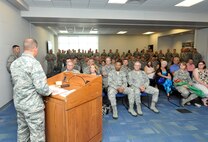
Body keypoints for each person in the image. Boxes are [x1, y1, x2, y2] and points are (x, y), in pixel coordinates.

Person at [10, 38, 51, 142]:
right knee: (37, 136)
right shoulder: (34, 63)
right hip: (33, 107)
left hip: (19, 104)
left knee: (22, 132)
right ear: (35, 48)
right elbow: (42, 89)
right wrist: (50, 90)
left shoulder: (15, 63)